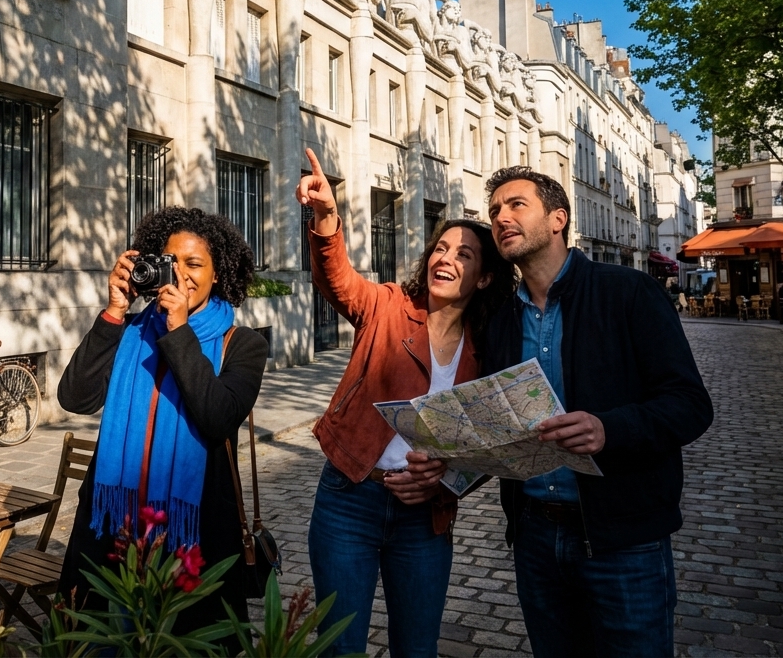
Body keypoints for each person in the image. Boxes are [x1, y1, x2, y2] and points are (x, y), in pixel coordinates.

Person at [479, 166, 713, 658]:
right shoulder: (501, 318)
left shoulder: (628, 292)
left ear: (558, 217)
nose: (501, 217)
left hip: (622, 537)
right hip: (535, 537)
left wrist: (609, 429)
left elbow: (690, 405)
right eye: (495, 209)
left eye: (516, 204)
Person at [297, 148, 515, 657]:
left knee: (417, 648)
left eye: (464, 255)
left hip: (427, 515)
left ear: (483, 278)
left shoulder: (487, 350)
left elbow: (492, 445)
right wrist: (326, 218)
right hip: (351, 498)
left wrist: (445, 476)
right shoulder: (390, 304)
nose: (446, 259)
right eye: (441, 249)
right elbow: (339, 282)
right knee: (340, 647)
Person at [56, 206, 268, 633]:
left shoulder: (243, 344)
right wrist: (115, 312)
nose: (182, 274)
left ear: (217, 275)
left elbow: (217, 416)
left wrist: (178, 331)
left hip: (195, 530)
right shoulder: (130, 330)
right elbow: (74, 398)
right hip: (113, 526)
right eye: (172, 262)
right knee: (100, 638)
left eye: (195, 264)